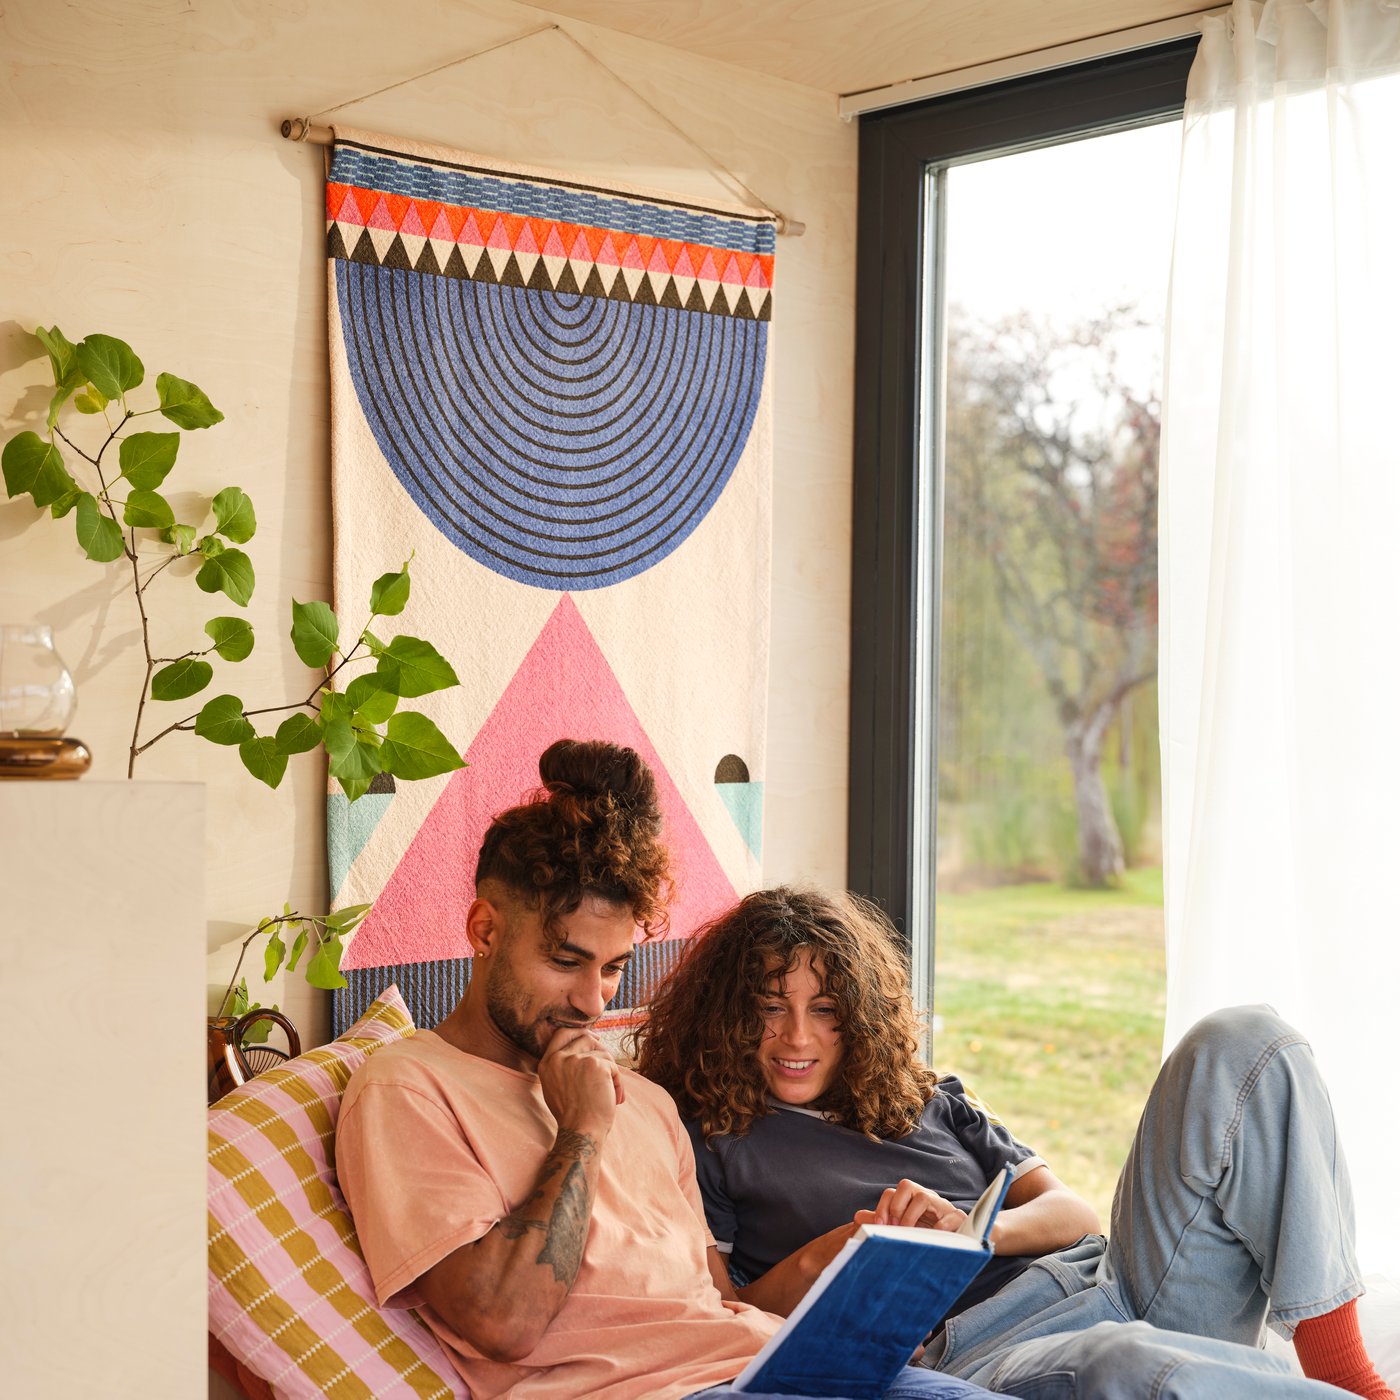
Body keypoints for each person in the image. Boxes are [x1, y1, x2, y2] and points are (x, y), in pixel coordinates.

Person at [336, 742, 1001, 1400]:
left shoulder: (649, 1104)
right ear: (485, 930)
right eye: (567, 962)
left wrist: (849, 1274)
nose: (593, 1001)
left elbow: (714, 1303)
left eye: (613, 968)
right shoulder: (407, 1087)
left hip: (778, 1369)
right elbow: (502, 1322)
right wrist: (584, 1130)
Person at [634, 885, 1396, 1400]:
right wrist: (839, 1252)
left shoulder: (926, 1098)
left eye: (826, 1009)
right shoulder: (703, 1137)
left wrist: (972, 1233)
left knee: (1246, 1041)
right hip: (977, 1346)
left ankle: (1347, 1371)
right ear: (728, 1015)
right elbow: (717, 1310)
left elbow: (1073, 1215)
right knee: (1127, 1361)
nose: (796, 1036)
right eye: (769, 1007)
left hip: (1112, 1276)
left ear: (860, 1013)